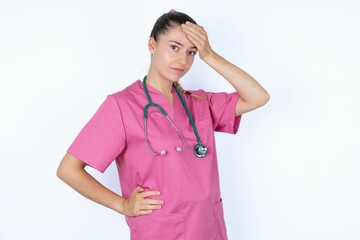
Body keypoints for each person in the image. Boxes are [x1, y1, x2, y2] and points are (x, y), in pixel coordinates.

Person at [57, 10, 269, 240]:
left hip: (209, 228)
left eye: (192, 52)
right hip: (161, 231)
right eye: (174, 47)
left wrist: (210, 56)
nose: (183, 60)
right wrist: (123, 205)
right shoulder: (122, 106)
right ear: (152, 44)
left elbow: (258, 96)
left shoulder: (199, 101)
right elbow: (68, 170)